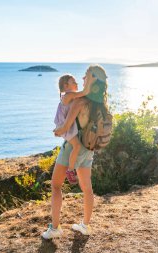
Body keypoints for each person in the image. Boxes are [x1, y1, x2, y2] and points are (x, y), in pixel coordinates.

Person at [42, 64, 109, 239]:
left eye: (86, 76)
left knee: (56, 185)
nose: (82, 79)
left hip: (73, 146)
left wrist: (58, 131)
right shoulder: (99, 103)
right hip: (89, 147)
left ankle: (55, 229)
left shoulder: (79, 102)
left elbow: (65, 125)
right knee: (87, 188)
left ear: (92, 79)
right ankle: (85, 225)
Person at [54, 74, 92, 185]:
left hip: (66, 126)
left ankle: (71, 170)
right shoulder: (68, 95)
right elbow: (84, 93)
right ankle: (70, 170)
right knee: (77, 146)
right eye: (73, 82)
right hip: (65, 127)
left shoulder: (69, 96)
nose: (77, 83)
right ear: (66, 86)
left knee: (76, 146)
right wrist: (90, 80)